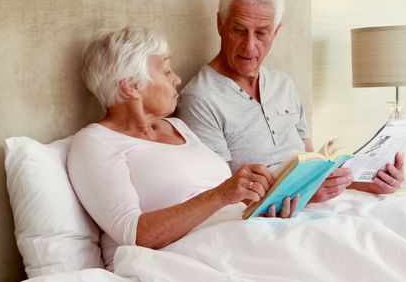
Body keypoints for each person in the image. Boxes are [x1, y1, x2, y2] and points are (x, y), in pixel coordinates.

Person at [68, 26, 300, 269]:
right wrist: (222, 194)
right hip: (180, 257)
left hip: (234, 237)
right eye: (166, 71)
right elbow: (136, 235)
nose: (176, 79)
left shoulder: (178, 126)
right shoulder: (95, 142)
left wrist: (262, 206)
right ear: (131, 87)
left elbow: (222, 198)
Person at [176, 0, 404, 200]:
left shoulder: (283, 84)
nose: (249, 46)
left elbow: (312, 161)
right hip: (261, 217)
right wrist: (305, 192)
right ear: (220, 24)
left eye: (261, 32)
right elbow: (220, 194)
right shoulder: (199, 98)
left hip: (311, 205)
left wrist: (370, 181)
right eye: (239, 30)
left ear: (276, 31)